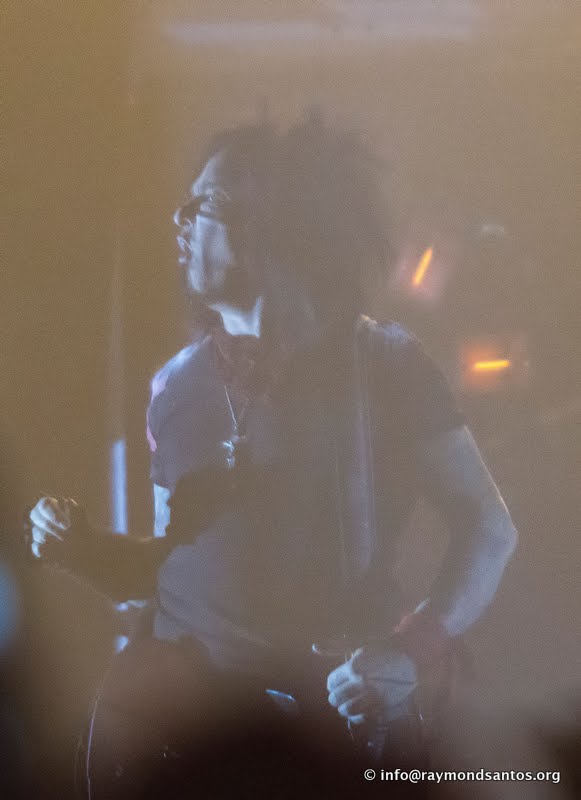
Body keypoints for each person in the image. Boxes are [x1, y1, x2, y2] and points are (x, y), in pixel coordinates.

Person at [28, 117, 518, 797]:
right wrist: (80, 550)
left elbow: (489, 527)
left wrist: (411, 653)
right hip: (187, 739)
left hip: (316, 735)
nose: (178, 222)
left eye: (202, 204)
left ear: (270, 224)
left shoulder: (385, 366)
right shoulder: (174, 385)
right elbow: (174, 567)